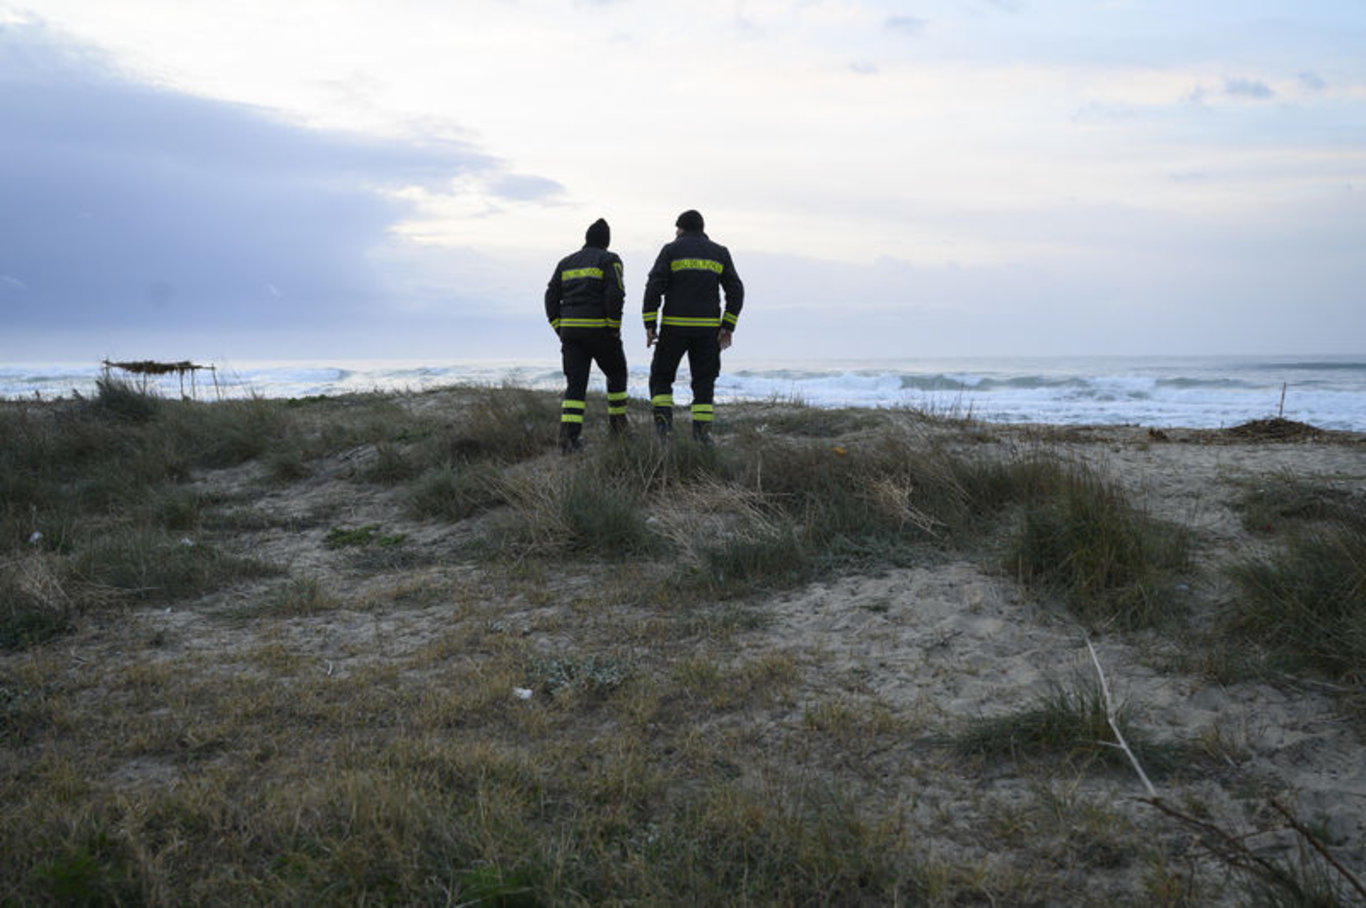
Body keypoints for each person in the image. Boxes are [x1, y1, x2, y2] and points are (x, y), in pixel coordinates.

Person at [642, 209, 744, 444]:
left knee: (661, 378)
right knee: (704, 382)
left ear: (681, 228)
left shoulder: (670, 250)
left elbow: (653, 287)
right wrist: (728, 325)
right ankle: (702, 436)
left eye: (676, 229)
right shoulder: (720, 253)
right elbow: (736, 290)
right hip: (708, 332)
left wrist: (650, 324)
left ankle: (664, 433)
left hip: (673, 329)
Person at [545, 218, 629, 453]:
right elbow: (616, 294)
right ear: (607, 241)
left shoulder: (565, 263)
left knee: (575, 386)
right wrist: (613, 326)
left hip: (571, 334)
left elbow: (550, 297)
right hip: (600, 331)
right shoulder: (610, 259)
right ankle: (618, 430)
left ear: (586, 238)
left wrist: (559, 326)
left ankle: (569, 441)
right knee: (616, 374)